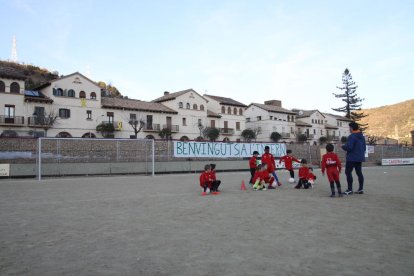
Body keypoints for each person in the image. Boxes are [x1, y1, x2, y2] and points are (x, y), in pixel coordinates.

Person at [341, 122, 366, 195]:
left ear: (351, 128)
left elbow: (349, 148)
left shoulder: (352, 136)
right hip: (360, 157)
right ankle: (361, 189)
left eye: (349, 128)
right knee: (359, 173)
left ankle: (349, 189)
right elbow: (364, 147)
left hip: (352, 158)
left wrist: (342, 146)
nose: (349, 129)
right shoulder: (361, 136)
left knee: (348, 172)